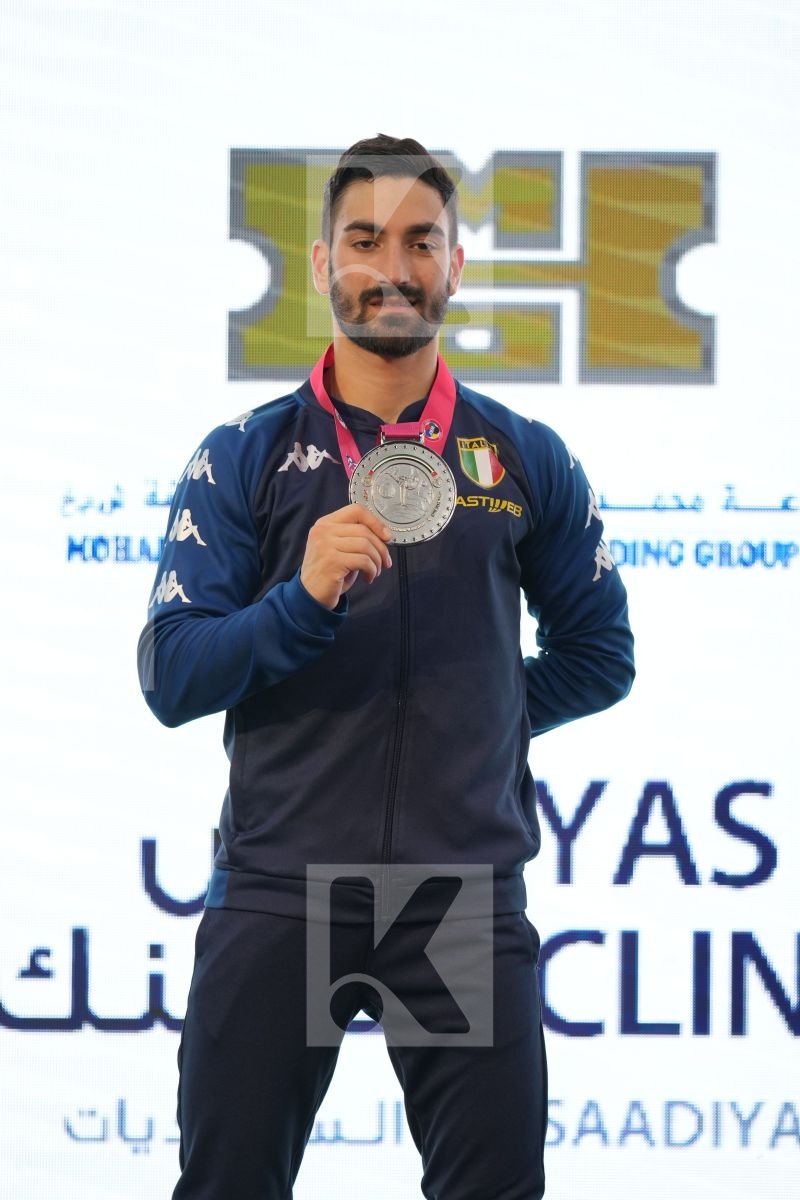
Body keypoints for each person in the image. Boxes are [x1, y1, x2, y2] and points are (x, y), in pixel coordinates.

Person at [137, 133, 635, 1200]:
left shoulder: (517, 456)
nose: (392, 268)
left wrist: (479, 713)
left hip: (455, 901)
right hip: (283, 893)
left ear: (454, 265)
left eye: (421, 242)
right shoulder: (248, 455)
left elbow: (599, 657)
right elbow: (172, 674)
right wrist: (298, 603)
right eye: (364, 241)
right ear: (323, 266)